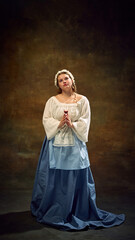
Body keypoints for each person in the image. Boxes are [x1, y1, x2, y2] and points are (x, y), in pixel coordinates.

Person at [30, 69, 125, 230]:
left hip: (75, 143)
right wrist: (60, 123)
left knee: (76, 173)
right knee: (56, 175)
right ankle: (56, 207)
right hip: (55, 144)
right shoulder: (52, 101)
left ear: (72, 80)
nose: (64, 81)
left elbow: (85, 121)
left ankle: (76, 208)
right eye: (60, 80)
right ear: (58, 84)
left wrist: (72, 124)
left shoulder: (82, 100)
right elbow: (46, 119)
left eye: (66, 78)